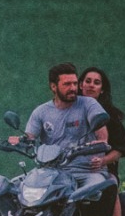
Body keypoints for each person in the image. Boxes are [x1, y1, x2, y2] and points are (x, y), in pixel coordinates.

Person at [16, 61, 112, 201]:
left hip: (85, 171)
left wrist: (98, 145)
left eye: (74, 83)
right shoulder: (41, 112)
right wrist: (19, 141)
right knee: (16, 190)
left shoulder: (88, 104)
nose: (73, 88)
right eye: (67, 84)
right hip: (52, 172)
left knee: (93, 190)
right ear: (53, 87)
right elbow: (29, 138)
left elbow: (102, 137)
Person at [81, 66, 125, 216]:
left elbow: (122, 148)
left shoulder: (108, 115)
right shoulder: (70, 109)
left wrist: (103, 161)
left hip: (102, 168)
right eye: (88, 81)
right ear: (80, 84)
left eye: (96, 83)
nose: (91, 85)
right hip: (71, 166)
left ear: (102, 89)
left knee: (110, 187)